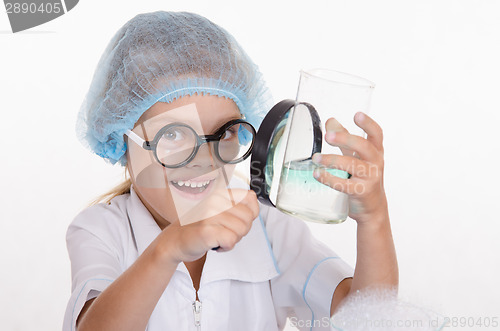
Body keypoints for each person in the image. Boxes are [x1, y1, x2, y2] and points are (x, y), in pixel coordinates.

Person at [63, 11, 398, 331]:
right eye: (174, 134)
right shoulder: (101, 231)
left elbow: (367, 321)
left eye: (223, 133)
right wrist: (167, 248)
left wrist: (375, 221)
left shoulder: (267, 229)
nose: (205, 159)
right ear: (122, 140)